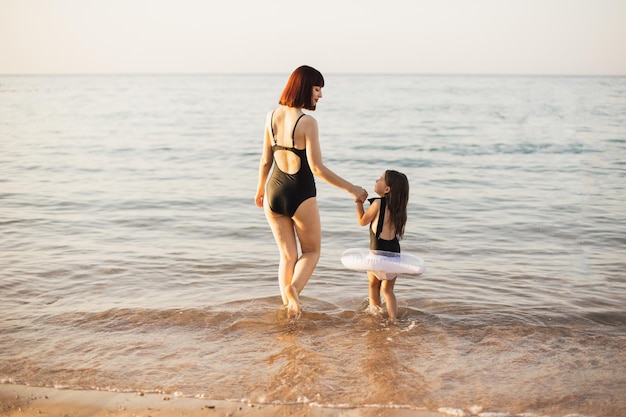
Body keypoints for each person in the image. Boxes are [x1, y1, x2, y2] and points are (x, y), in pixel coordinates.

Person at [255, 65, 368, 319]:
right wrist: (352, 189)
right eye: (317, 89)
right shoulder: (307, 123)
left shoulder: (270, 116)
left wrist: (260, 189)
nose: (320, 95)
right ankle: (294, 290)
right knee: (311, 252)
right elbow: (317, 168)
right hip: (300, 191)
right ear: (305, 88)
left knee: (287, 255)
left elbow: (265, 161)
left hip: (274, 191)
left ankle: (289, 310)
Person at [355, 170, 409, 323]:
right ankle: (393, 319)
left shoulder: (378, 203)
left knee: (373, 287)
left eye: (380, 179)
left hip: (377, 254)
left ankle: (375, 317)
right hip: (393, 254)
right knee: (387, 290)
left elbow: (362, 221)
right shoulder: (400, 209)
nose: (376, 180)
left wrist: (358, 202)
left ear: (387, 189)